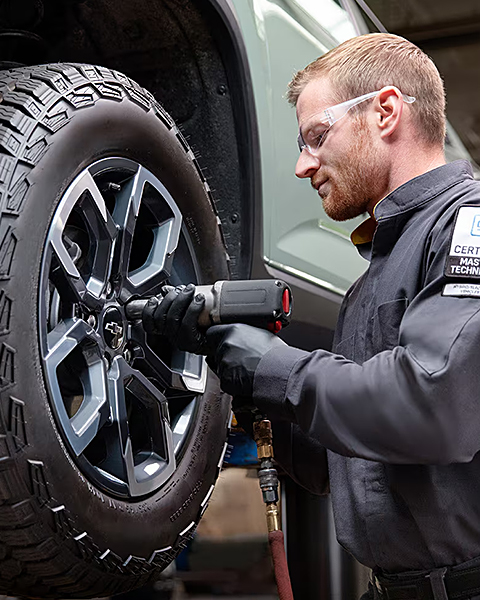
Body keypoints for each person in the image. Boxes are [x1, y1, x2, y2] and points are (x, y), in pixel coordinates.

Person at [145, 33, 480, 600]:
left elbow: (435, 404)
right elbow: (347, 466)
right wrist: (248, 390)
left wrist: (279, 368)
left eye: (316, 137)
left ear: (385, 110)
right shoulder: (369, 285)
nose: (303, 165)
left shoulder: (466, 226)